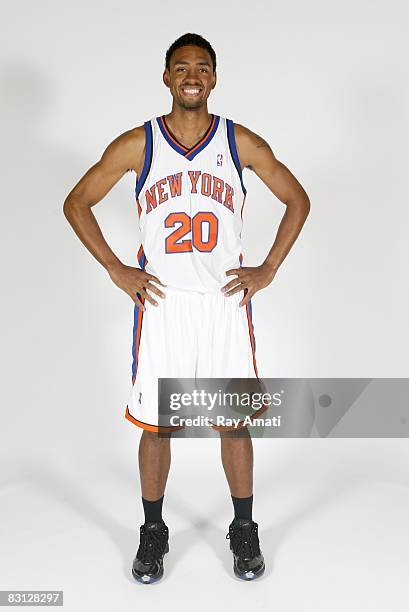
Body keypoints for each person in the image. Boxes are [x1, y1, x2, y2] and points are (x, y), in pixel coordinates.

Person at [63, 32, 310, 583]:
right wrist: (114, 267)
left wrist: (268, 267)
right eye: (181, 67)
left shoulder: (239, 142)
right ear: (167, 77)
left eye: (202, 67)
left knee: (232, 423)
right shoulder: (138, 143)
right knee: (159, 425)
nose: (192, 75)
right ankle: (153, 531)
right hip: (162, 303)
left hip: (224, 304)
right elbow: (76, 201)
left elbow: (298, 198)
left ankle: (243, 526)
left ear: (215, 78)